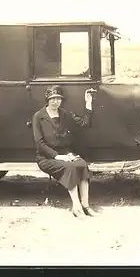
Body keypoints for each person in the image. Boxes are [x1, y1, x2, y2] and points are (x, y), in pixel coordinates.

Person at [32, 85, 98, 217]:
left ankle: (86, 205)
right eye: (52, 98)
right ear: (47, 99)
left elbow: (85, 123)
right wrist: (58, 157)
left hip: (66, 155)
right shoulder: (38, 116)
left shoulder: (65, 114)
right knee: (70, 168)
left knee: (82, 164)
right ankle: (77, 206)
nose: (55, 101)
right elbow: (40, 144)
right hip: (46, 157)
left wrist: (88, 103)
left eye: (58, 98)